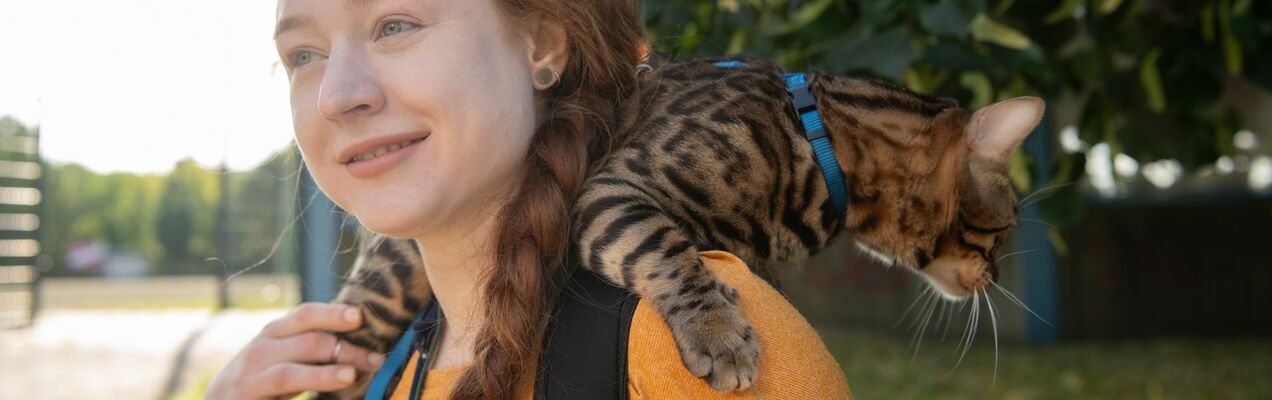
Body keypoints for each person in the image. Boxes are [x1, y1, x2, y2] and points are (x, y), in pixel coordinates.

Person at [208, 0, 851, 399]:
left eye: (394, 24)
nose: (336, 94)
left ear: (542, 46)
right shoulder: (386, 369)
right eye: (303, 54)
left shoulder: (687, 344)